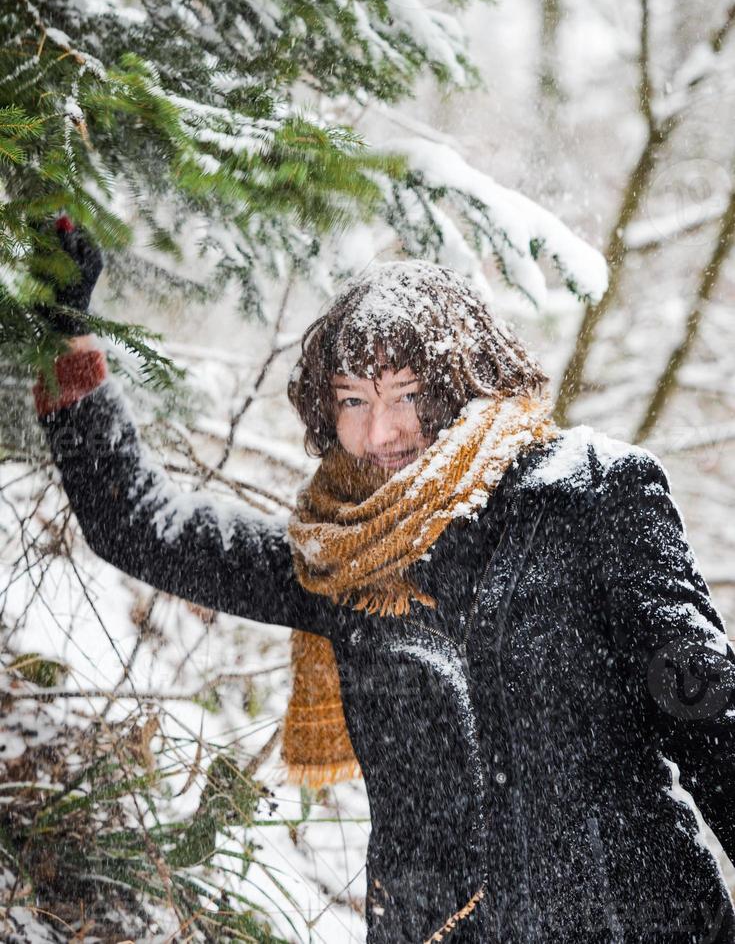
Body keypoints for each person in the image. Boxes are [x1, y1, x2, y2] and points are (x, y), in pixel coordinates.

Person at [31, 216, 735, 943]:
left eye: (406, 395)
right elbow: (142, 527)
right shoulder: (342, 558)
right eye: (354, 401)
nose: (380, 434)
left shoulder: (588, 497)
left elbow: (711, 725)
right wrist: (65, 341)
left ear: (466, 383)